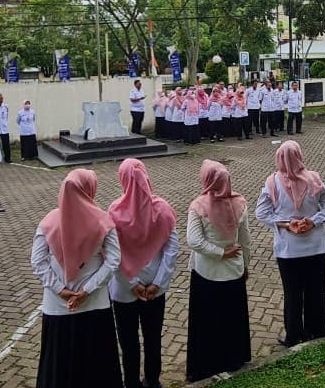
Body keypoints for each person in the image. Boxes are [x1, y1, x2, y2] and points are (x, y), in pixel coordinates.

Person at [32, 169, 122, 388]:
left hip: (58, 305)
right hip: (94, 304)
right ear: (89, 188)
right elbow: (113, 260)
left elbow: (37, 261)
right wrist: (87, 290)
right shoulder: (102, 220)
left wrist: (61, 290)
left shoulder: (49, 221)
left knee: (59, 362)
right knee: (97, 363)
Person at [256, 141, 325, 344]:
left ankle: (294, 335)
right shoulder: (313, 179)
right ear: (300, 156)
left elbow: (262, 212)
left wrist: (286, 224)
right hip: (315, 247)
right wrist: (312, 221)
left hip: (288, 250)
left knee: (292, 295)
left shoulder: (272, 183)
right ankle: (317, 333)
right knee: (315, 292)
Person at [108, 159, 178, 388]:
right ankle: (152, 379)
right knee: (152, 336)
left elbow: (113, 255)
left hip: (124, 289)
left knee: (128, 341)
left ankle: (131, 382)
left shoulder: (114, 212)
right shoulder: (163, 209)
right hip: (155, 288)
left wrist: (131, 283)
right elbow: (171, 249)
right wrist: (159, 282)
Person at [186, 160, 252, 382]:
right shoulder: (240, 203)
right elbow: (245, 240)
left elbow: (193, 241)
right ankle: (234, 358)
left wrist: (218, 252)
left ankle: (206, 364)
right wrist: (245, 265)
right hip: (233, 270)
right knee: (232, 317)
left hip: (207, 272)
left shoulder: (198, 206)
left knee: (208, 320)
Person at [0, 93, 13, 165]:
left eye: (2, 98)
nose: (1, 100)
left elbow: (6, 117)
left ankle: (7, 158)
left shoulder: (6, 107)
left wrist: (5, 124)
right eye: (0, 98)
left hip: (4, 129)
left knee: (6, 144)